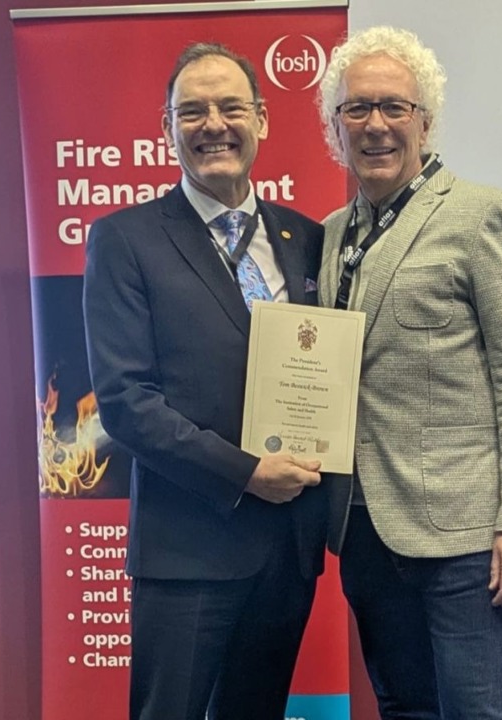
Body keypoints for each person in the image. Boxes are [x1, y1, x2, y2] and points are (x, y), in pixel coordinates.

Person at [316, 26, 502, 719]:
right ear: (335, 127)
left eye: (394, 107)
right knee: (406, 712)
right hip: (365, 532)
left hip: (465, 540)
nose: (376, 126)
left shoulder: (482, 217)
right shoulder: (335, 232)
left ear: (425, 121)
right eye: (356, 109)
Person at [83, 43, 326, 720]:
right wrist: (247, 472)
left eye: (230, 107)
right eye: (191, 111)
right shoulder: (124, 239)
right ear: (167, 129)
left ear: (263, 119)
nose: (212, 124)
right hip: (186, 552)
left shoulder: (306, 238)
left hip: (286, 549)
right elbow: (127, 404)